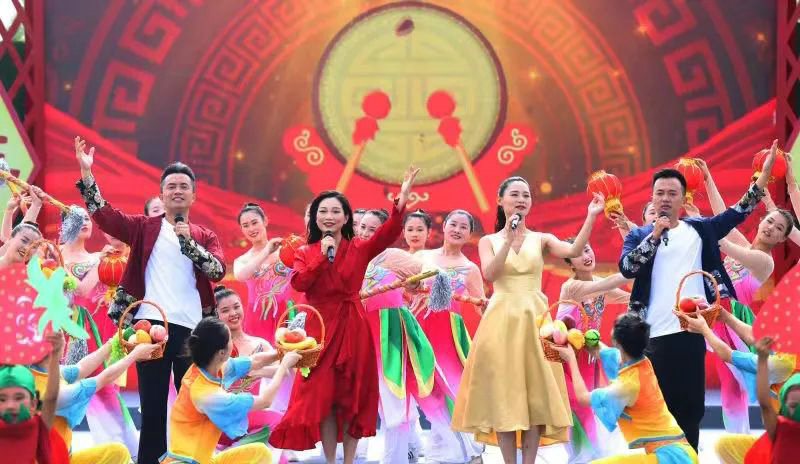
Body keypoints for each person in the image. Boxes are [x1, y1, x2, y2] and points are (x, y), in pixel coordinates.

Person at [73, 135, 226, 464]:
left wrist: (190, 243)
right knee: (153, 410)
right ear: (161, 193)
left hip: (193, 332)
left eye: (183, 186)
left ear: (193, 195)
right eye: (171, 186)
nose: (177, 191)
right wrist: (87, 173)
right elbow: (105, 215)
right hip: (149, 328)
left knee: (193, 411)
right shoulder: (143, 227)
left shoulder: (204, 235)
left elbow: (217, 271)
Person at [617, 141, 777, 450]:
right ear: (652, 197)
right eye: (660, 193)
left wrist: (765, 175)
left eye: (672, 193)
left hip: (689, 331)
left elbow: (738, 212)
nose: (665, 198)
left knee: (689, 410)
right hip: (648, 335)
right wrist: (654, 235)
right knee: (653, 414)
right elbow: (627, 268)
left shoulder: (699, 229)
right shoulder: (639, 235)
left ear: (682, 198)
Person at [268, 166, 419, 464]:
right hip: (320, 330)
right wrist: (321, 258)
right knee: (323, 398)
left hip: (352, 326)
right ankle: (330, 459)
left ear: (347, 217)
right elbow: (300, 283)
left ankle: (349, 460)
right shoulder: (305, 251)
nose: (329, 216)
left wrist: (401, 200)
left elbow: (387, 233)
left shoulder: (359, 248)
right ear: (315, 217)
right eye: (323, 211)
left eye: (336, 211)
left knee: (351, 397)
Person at [453, 176, 605, 464]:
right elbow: (490, 274)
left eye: (526, 195)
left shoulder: (541, 238)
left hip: (536, 319)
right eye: (515, 194)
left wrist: (591, 216)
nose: (521, 199)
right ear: (500, 200)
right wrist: (508, 239)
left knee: (535, 395)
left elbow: (573, 251)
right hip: (501, 321)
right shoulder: (488, 241)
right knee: (504, 394)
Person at [690, 158, 796, 433]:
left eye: (779, 229)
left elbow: (723, 241)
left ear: (782, 239)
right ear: (761, 221)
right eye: (770, 221)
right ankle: (738, 440)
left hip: (737, 324)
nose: (771, 228)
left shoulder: (764, 261)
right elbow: (722, 213)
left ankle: (751, 438)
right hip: (719, 316)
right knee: (730, 385)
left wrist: (703, 225)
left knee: (738, 385)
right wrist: (707, 178)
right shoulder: (746, 244)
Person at [553, 313, 699, 464]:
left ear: (616, 341)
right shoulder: (642, 362)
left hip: (671, 458)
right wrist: (582, 340)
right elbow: (601, 351)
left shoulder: (627, 387)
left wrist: (571, 360)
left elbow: (583, 398)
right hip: (681, 452)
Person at [162, 317, 300, 464]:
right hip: (185, 462)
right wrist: (283, 366)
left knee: (260, 453)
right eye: (230, 339)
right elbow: (265, 401)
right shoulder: (206, 394)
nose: (233, 341)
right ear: (222, 352)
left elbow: (255, 361)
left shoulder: (211, 366)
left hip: (204, 459)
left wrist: (282, 352)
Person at [412, 209, 486, 463]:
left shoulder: (470, 268)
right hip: (418, 329)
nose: (457, 230)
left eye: (463, 227)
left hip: (448, 334)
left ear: (469, 234)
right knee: (425, 389)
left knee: (455, 390)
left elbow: (480, 305)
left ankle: (470, 449)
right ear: (443, 227)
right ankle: (446, 444)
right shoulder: (422, 257)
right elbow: (404, 288)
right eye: (453, 224)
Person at [358, 209, 431, 464]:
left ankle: (396, 458)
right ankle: (412, 446)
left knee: (393, 395)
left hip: (391, 332)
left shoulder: (394, 256)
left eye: (373, 229)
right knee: (377, 398)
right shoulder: (352, 257)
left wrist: (416, 287)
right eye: (362, 227)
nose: (366, 233)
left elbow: (430, 278)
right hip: (361, 332)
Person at [675, 313, 797, 464]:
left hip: (787, 448)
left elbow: (727, 354)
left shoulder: (781, 365)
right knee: (726, 445)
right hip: (782, 441)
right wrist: (725, 316)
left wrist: (704, 330)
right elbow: (756, 336)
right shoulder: (790, 346)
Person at [31, 329, 159, 464]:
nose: (65, 339)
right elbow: (103, 379)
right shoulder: (55, 394)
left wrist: (115, 341)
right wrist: (134, 355)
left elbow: (81, 368)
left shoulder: (39, 371)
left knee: (117, 452)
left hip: (61, 457)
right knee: (118, 454)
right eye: (61, 336)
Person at [556, 240, 629, 462]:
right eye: (578, 254)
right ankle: (583, 456)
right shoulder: (571, 287)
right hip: (567, 359)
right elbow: (607, 285)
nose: (586, 256)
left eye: (587, 249)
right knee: (578, 408)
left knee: (590, 406)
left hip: (590, 359)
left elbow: (629, 297)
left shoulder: (599, 284)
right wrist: (634, 266)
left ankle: (589, 455)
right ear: (571, 265)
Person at [214, 285, 294, 454]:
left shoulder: (259, 344)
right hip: (220, 422)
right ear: (217, 315)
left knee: (279, 422)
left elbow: (284, 371)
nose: (233, 313)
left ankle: (235, 452)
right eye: (225, 310)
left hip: (251, 418)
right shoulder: (213, 348)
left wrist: (256, 371)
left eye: (236, 307)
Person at [232, 203, 298, 345]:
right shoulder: (242, 260)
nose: (251, 229)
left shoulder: (285, 251)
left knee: (288, 355)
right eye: (245, 225)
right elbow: (241, 276)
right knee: (260, 356)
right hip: (257, 318)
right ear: (241, 229)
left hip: (285, 315)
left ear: (265, 221)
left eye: (254, 222)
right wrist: (267, 250)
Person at [0, 333, 64, 464]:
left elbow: (51, 398)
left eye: (19, 398)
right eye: (2, 399)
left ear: (33, 404)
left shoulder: (38, 427)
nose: (10, 405)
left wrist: (55, 356)